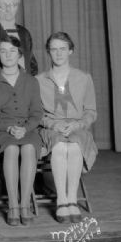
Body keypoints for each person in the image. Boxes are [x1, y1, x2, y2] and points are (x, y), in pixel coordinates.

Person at [37, 32, 97, 223]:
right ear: (48, 52)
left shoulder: (83, 78)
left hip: (77, 127)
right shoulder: (39, 80)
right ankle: (62, 200)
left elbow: (91, 111)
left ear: (71, 51)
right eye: (54, 49)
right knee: (61, 147)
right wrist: (54, 124)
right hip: (51, 128)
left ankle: (72, 198)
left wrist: (78, 124)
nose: (59, 53)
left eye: (63, 48)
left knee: (75, 145)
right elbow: (36, 113)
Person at [0, 36, 43, 226]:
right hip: (3, 129)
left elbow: (37, 113)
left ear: (19, 54)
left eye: (12, 51)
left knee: (28, 149)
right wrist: (8, 128)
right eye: (3, 51)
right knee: (11, 149)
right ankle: (13, 205)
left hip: (28, 128)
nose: (8, 55)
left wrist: (25, 129)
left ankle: (25, 205)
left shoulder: (32, 81)